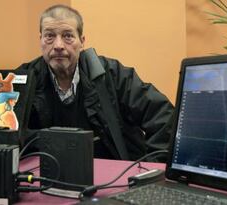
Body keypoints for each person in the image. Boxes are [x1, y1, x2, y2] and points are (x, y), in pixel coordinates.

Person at [16, 5, 174, 161]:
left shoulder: (112, 75)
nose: (58, 45)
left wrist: (151, 169)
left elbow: (164, 118)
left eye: (68, 36)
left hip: (115, 175)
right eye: (50, 36)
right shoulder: (23, 81)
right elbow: (3, 136)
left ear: (82, 41)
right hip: (45, 176)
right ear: (41, 40)